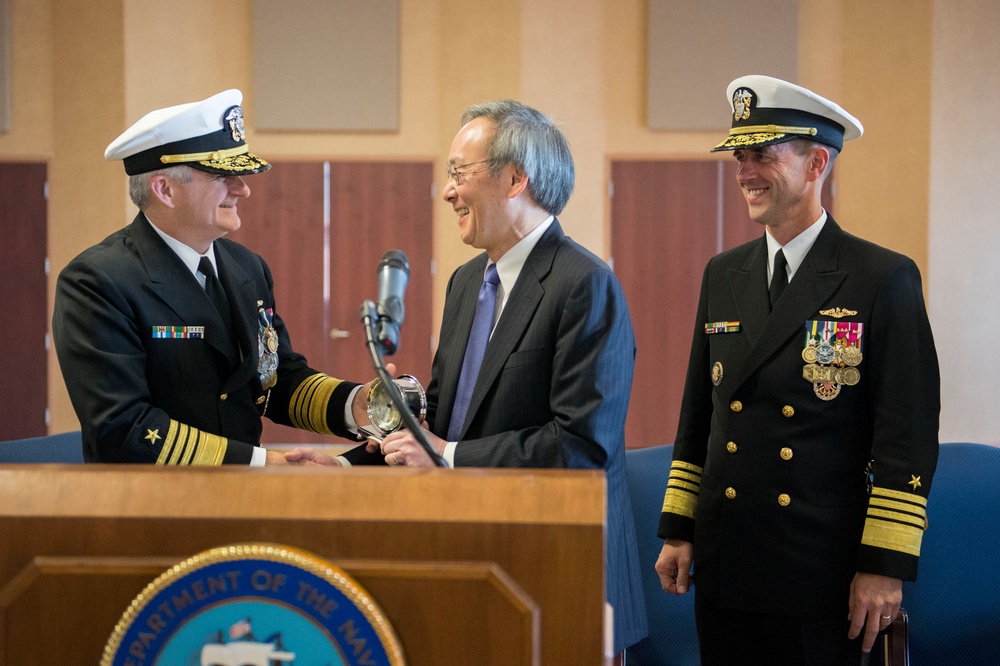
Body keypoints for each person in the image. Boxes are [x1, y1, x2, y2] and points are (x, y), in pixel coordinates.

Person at [288, 99, 648, 654]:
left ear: (514, 179)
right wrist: (344, 467)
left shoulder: (583, 284)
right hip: (478, 564)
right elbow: (435, 420)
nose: (448, 191)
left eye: (459, 173)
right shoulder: (464, 284)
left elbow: (581, 446)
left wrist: (446, 455)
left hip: (561, 574)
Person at [654, 75, 940, 664]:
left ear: (816, 162)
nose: (745, 170)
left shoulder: (880, 277)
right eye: (739, 155)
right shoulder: (723, 273)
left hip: (821, 570)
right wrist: (680, 527)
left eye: (763, 154)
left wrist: (883, 567)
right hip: (728, 558)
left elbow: (905, 437)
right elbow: (698, 415)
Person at [52, 89, 383, 466]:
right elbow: (124, 427)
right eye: (223, 176)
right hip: (151, 509)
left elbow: (274, 380)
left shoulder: (247, 267)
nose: (243, 189)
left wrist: (353, 404)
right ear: (165, 189)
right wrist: (261, 465)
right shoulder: (98, 282)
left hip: (242, 504)